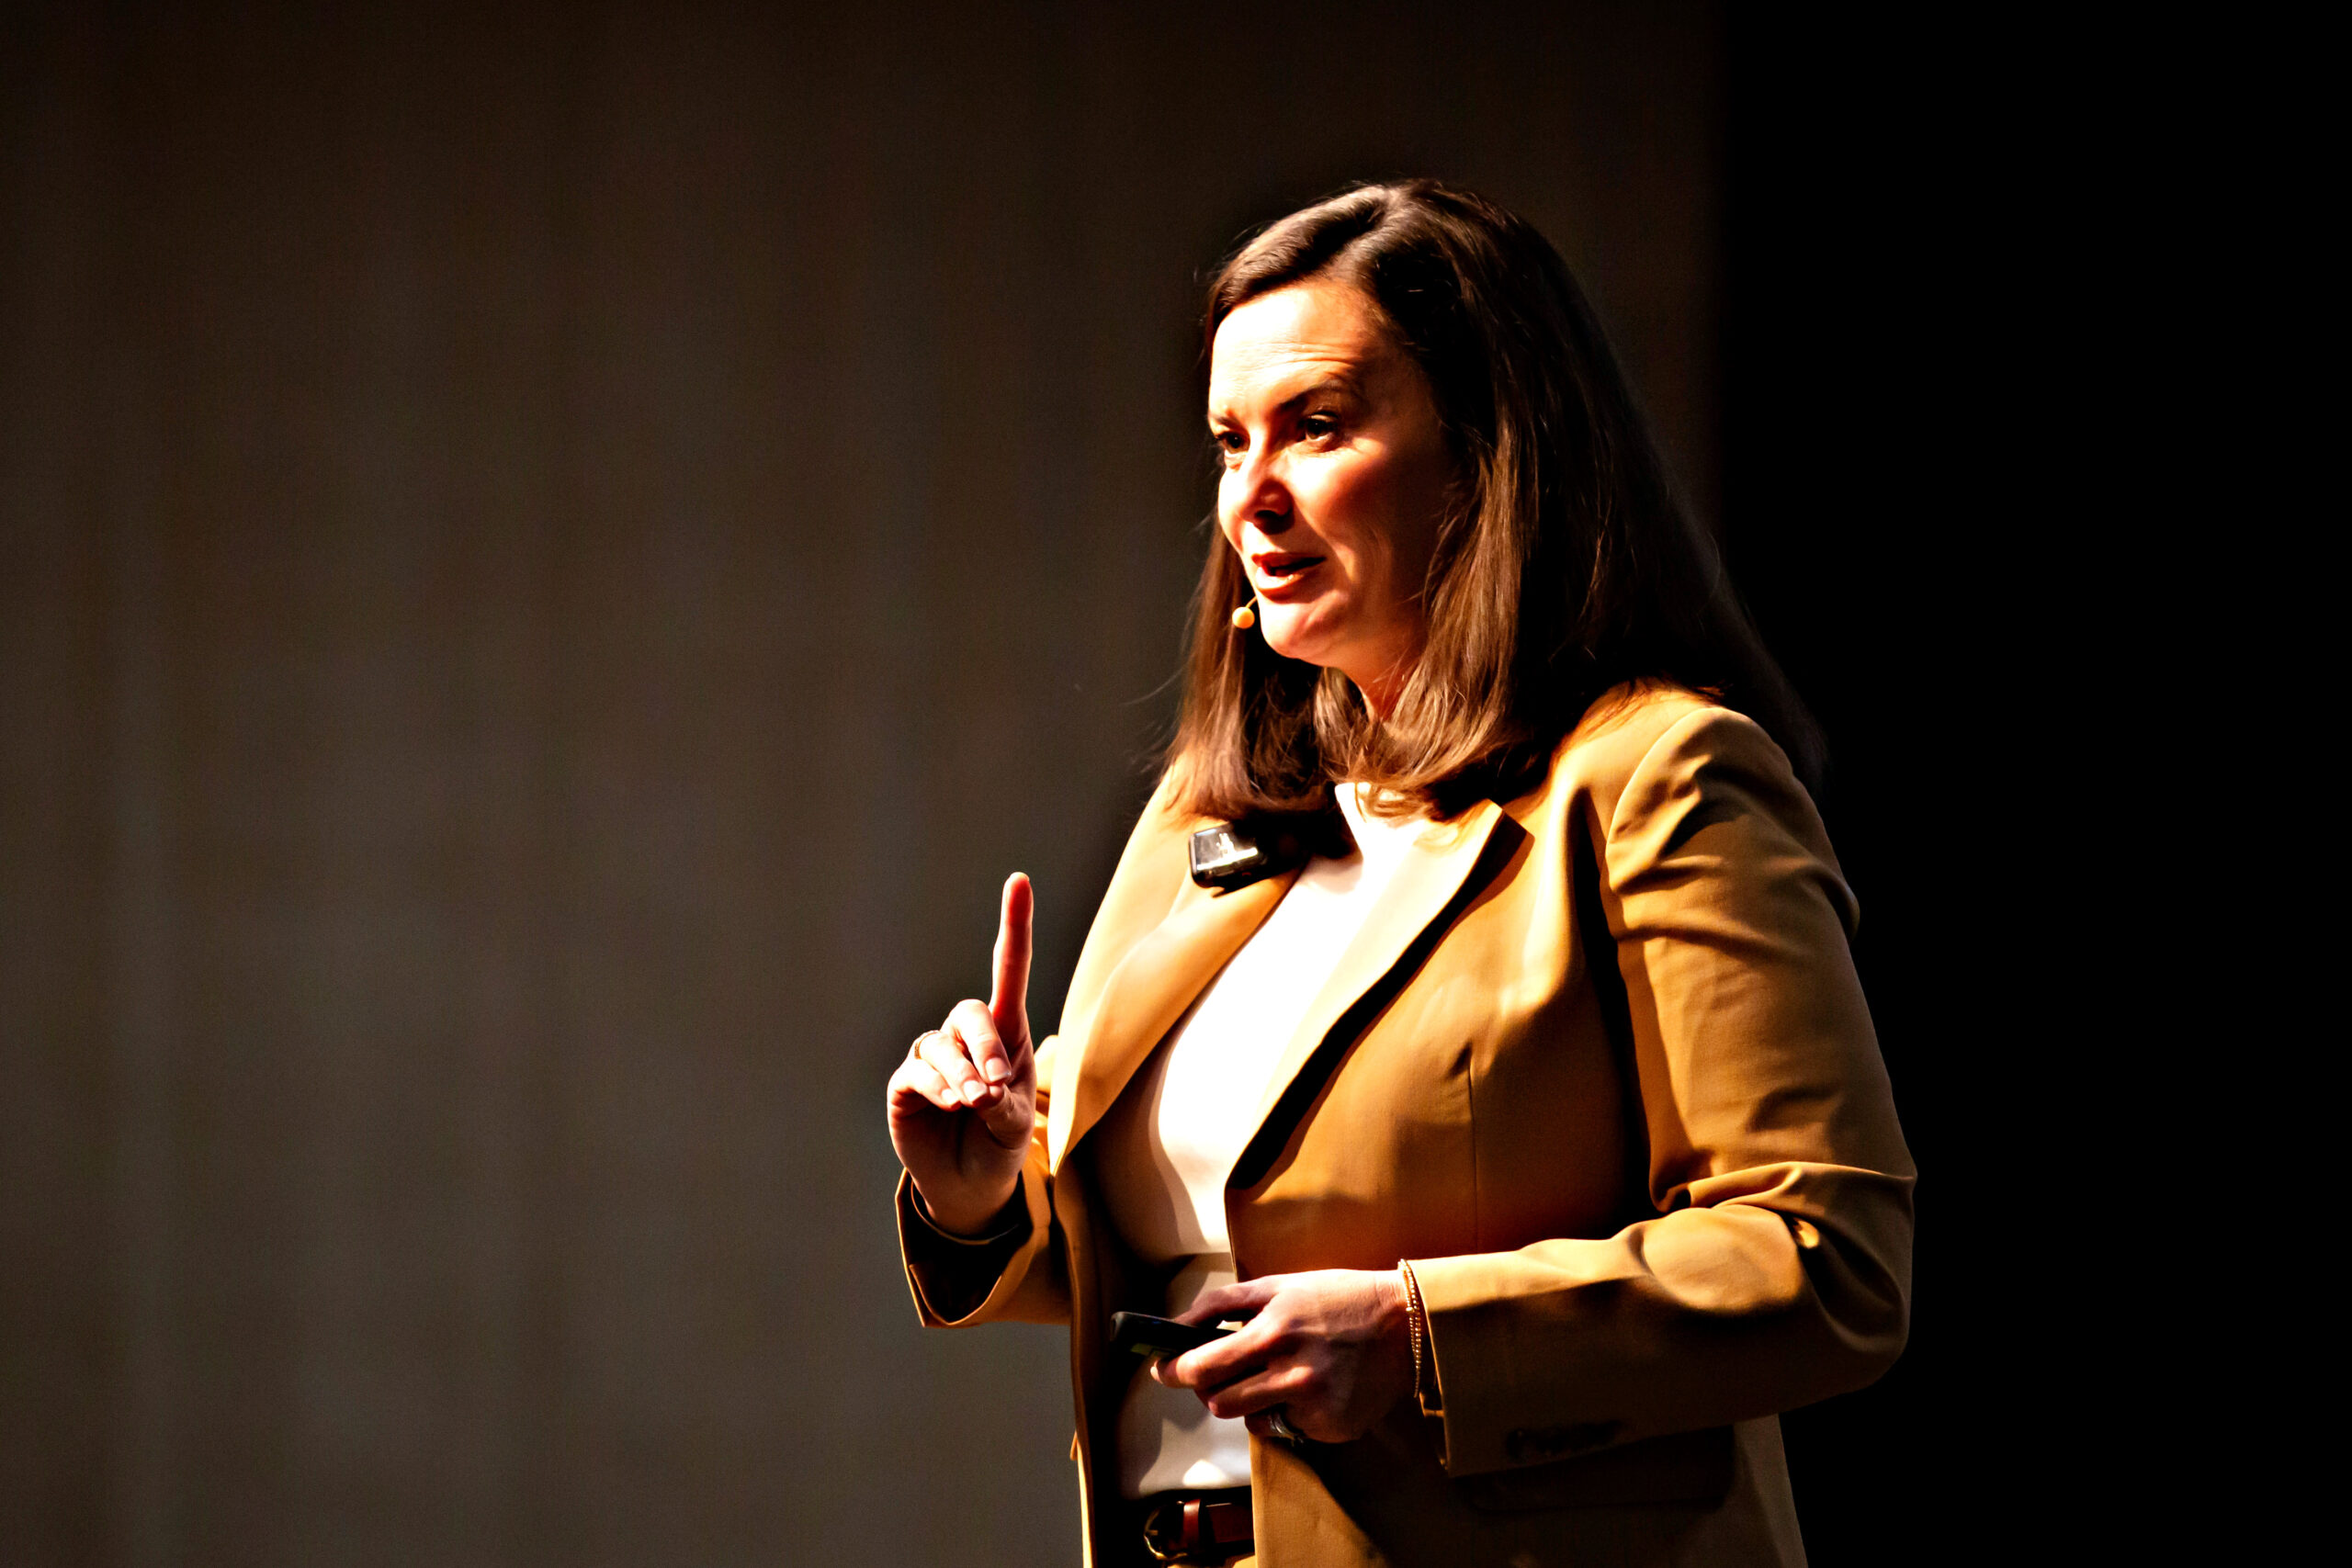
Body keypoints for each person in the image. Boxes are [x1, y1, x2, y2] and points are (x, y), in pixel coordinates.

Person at [884, 180, 1913, 1568]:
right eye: (1229, 442)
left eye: (1315, 426)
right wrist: (982, 1186)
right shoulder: (1210, 812)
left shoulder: (1660, 777)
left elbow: (1828, 1258)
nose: (1249, 499)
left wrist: (1423, 1337)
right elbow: (1173, 1235)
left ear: (1490, 450)